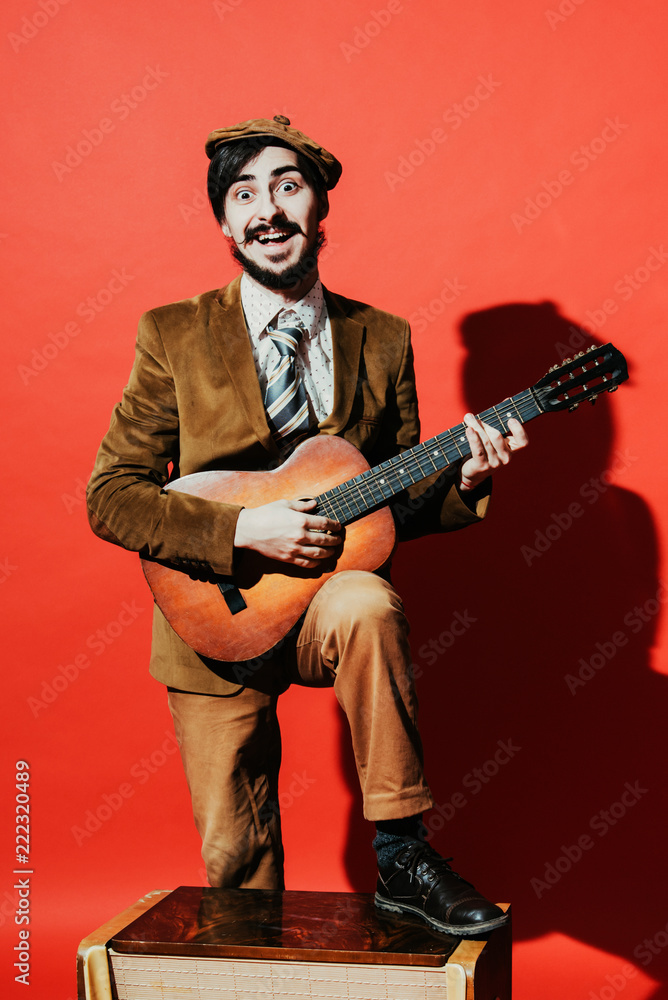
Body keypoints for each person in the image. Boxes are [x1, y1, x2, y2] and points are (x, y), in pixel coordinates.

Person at [86, 116, 528, 936]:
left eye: (288, 186)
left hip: (327, 606)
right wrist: (240, 534)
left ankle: (401, 851)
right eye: (244, 194)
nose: (268, 210)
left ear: (320, 206)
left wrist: (462, 477)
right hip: (210, 611)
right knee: (238, 876)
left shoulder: (383, 338)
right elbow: (111, 495)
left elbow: (391, 501)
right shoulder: (172, 333)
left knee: (367, 599)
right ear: (225, 222)